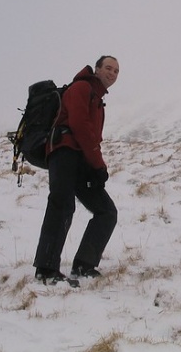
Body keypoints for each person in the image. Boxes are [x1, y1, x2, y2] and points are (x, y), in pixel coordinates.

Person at [33, 55, 120, 285]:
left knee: (106, 212)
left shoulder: (99, 100)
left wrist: (95, 167)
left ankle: (84, 266)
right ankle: (46, 270)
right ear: (97, 69)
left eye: (116, 71)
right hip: (64, 152)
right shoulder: (81, 88)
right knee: (62, 206)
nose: (112, 73)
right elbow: (80, 126)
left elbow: (92, 136)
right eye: (108, 68)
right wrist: (99, 165)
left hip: (81, 159)